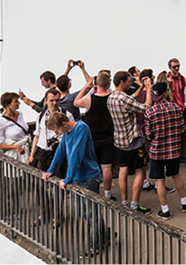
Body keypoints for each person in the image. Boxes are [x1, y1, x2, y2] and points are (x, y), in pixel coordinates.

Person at [43, 111, 107, 256]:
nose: (57, 133)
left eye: (57, 130)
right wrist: (50, 170)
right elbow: (60, 152)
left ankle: (95, 245)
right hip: (78, 178)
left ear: (64, 124)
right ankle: (104, 234)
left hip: (89, 177)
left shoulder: (81, 129)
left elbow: (76, 155)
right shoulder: (66, 134)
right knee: (83, 212)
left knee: (92, 213)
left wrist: (67, 178)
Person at [107, 70, 154, 212]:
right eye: (128, 81)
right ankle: (135, 205)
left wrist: (140, 88)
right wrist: (148, 90)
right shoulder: (124, 99)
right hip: (133, 141)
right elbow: (146, 107)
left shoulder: (111, 97)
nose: (130, 84)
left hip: (119, 141)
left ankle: (125, 202)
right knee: (140, 172)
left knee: (123, 170)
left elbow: (131, 99)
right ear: (122, 82)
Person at [144, 81, 186, 219]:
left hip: (157, 151)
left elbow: (148, 134)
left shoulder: (150, 112)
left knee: (160, 181)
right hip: (173, 149)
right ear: (166, 93)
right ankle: (184, 203)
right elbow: (183, 128)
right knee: (176, 175)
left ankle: (165, 210)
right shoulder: (176, 108)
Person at [75, 65, 118, 200]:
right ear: (109, 83)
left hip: (92, 137)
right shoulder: (112, 98)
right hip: (108, 135)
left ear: (97, 83)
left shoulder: (90, 99)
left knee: (93, 166)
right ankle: (107, 194)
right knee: (107, 167)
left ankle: (93, 192)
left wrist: (86, 87)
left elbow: (76, 102)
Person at [29, 88, 71, 172]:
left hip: (60, 152)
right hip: (43, 153)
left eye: (57, 100)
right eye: (51, 100)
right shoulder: (40, 116)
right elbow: (37, 136)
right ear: (46, 101)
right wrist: (32, 156)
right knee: (41, 181)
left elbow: (72, 134)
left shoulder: (67, 115)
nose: (54, 103)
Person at [0, 92, 31, 162]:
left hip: (25, 150)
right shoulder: (1, 122)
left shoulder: (20, 114)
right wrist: (16, 147)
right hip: (13, 155)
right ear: (7, 105)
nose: (19, 103)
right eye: (16, 101)